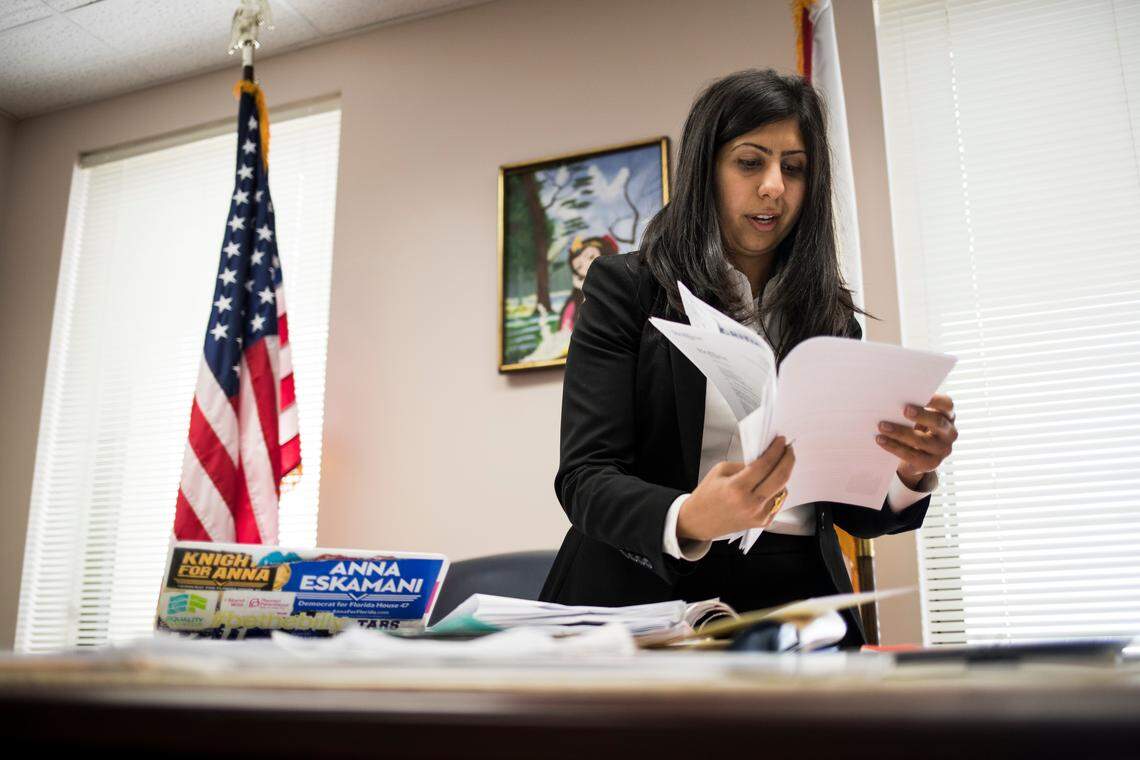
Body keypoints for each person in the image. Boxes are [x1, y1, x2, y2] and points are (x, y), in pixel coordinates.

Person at [538, 68, 959, 648]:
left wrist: (910, 469)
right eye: (749, 162)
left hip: (797, 599)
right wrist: (690, 517)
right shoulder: (625, 287)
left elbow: (853, 510)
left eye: (794, 168)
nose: (773, 187)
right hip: (642, 594)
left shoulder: (832, 320)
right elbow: (585, 477)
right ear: (705, 171)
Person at [559, 235, 621, 332]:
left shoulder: (625, 286)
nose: (587, 265)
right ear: (578, 275)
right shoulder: (575, 304)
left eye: (591, 257)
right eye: (579, 267)